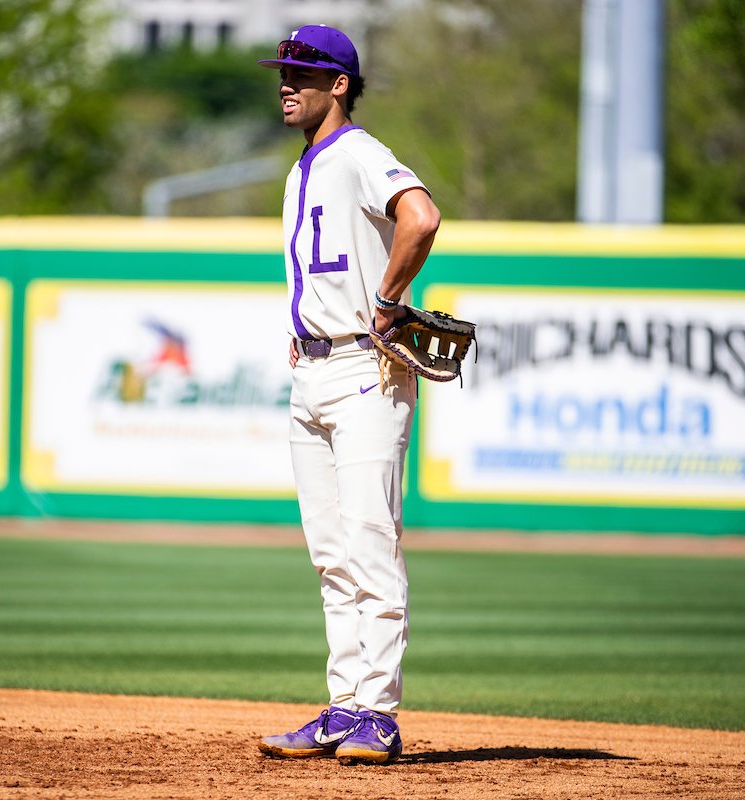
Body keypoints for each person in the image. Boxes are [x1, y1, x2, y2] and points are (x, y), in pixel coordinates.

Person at [254, 24, 440, 766]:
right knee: (331, 555)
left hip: (366, 368)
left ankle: (380, 716)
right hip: (313, 370)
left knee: (368, 545)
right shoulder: (302, 168)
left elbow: (420, 216)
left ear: (341, 85)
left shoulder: (358, 154)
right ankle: (344, 708)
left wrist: (391, 297)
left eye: (303, 71)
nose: (286, 82)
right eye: (283, 70)